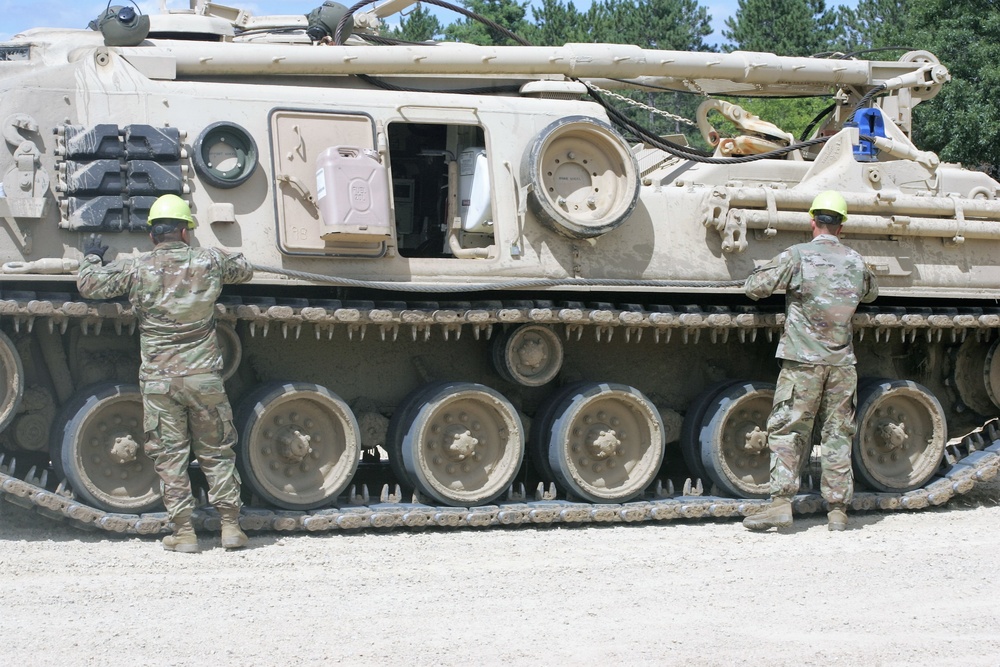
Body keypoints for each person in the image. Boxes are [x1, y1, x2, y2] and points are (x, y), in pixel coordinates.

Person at [77, 194, 254, 553]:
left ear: (153, 236)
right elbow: (245, 269)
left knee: (170, 456)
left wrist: (92, 257)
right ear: (185, 232)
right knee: (217, 451)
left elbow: (90, 285)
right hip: (204, 377)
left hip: (160, 380)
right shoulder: (209, 261)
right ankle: (231, 527)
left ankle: (184, 533)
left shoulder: (138, 268)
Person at [742, 190, 878, 532]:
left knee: (789, 429)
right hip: (842, 363)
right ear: (841, 226)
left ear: (812, 221)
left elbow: (756, 287)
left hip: (803, 362)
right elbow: (871, 292)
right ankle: (836, 511)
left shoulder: (797, 256)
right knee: (837, 433)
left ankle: (781, 504)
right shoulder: (856, 261)